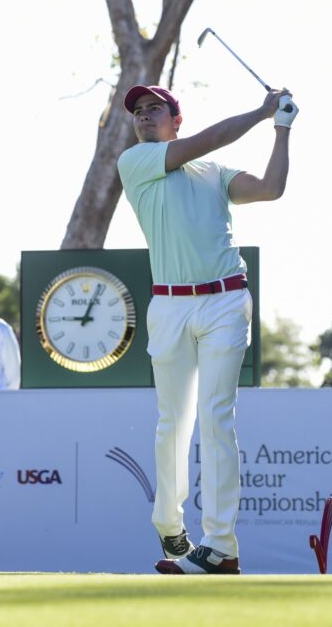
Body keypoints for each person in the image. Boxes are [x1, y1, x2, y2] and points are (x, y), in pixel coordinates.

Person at [117, 84, 298, 574]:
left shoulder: (214, 174)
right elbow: (213, 137)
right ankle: (170, 525)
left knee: (216, 417)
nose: (143, 116)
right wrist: (262, 111)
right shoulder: (136, 162)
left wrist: (281, 128)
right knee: (173, 421)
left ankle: (220, 546)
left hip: (225, 300)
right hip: (169, 305)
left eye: (154, 109)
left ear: (176, 119)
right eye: (138, 112)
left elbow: (270, 188)